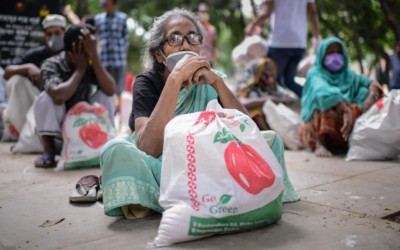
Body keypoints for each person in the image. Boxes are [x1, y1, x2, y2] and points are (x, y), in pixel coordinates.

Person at [100, 8, 299, 219]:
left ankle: (187, 197)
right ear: (159, 53)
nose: (185, 44)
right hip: (165, 164)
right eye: (174, 38)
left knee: (271, 141)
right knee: (115, 149)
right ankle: (212, 196)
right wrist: (175, 81)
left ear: (200, 46)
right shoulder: (147, 82)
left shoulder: (213, 79)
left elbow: (250, 133)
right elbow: (148, 146)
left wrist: (217, 82)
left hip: (209, 161)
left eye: (192, 37)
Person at [33, 24, 116, 168]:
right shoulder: (51, 64)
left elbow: (111, 90)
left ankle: (106, 145)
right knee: (45, 98)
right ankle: (49, 152)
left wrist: (95, 58)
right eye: (88, 47)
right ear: (74, 49)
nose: (91, 51)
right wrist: (80, 69)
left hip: (85, 129)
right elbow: (59, 96)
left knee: (105, 94)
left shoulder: (93, 62)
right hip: (60, 137)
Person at [300, 37, 384, 158]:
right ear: (322, 55)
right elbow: (322, 91)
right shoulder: (315, 73)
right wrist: (344, 108)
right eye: (330, 52)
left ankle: (352, 142)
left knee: (363, 91)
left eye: (339, 52)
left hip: (344, 129)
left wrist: (369, 99)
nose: (335, 56)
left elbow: (372, 83)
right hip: (315, 130)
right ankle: (320, 144)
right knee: (327, 101)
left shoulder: (349, 76)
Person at [3, 14, 66, 136]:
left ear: (64, 34)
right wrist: (28, 67)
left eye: (57, 33)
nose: (53, 37)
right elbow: (7, 72)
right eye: (49, 34)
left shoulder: (72, 55)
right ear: (44, 36)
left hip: (63, 104)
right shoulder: (36, 55)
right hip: (38, 104)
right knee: (16, 80)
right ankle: (27, 133)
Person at [245, 0, 320, 98]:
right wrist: (317, 38)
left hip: (280, 41)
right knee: (288, 80)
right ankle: (313, 100)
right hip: (299, 42)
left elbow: (266, 12)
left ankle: (267, 106)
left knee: (269, 79)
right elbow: (312, 13)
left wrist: (252, 26)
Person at [237, 57, 296, 130]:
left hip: (275, 119)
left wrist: (281, 100)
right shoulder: (249, 89)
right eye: (263, 73)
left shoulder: (272, 87)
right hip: (257, 124)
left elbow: (290, 98)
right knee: (257, 113)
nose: (268, 74)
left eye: (269, 70)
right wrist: (267, 99)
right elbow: (242, 102)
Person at [95, 0, 129, 110]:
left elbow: (126, 37)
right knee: (105, 87)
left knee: (120, 89)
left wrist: (122, 49)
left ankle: (119, 112)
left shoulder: (122, 18)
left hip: (119, 59)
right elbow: (96, 37)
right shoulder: (98, 19)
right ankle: (106, 109)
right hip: (104, 59)